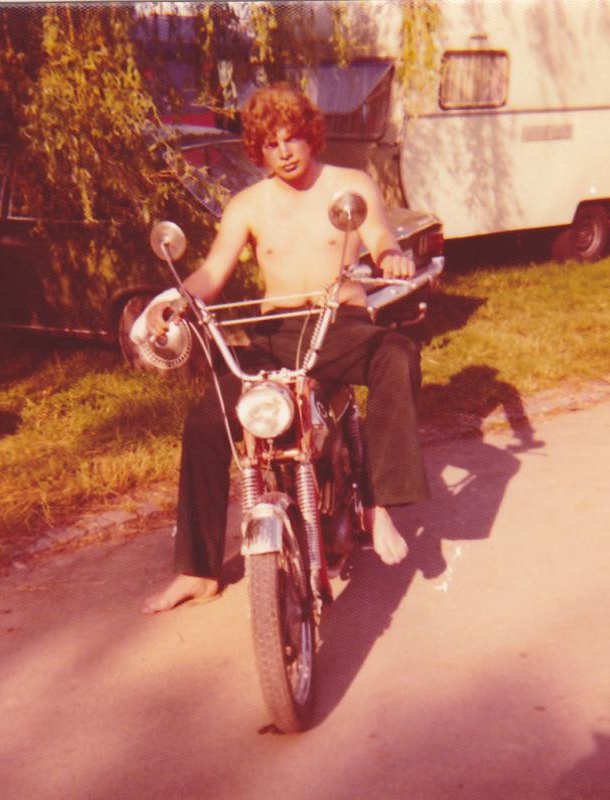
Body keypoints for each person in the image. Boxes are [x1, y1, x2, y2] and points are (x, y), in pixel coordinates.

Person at [137, 83, 429, 614]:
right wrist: (176, 300)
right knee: (207, 420)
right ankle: (198, 571)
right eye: (271, 144)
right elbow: (213, 271)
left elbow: (382, 238)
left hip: (340, 325)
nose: (285, 151)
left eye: (292, 137)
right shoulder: (248, 205)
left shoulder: (349, 185)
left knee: (397, 356)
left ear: (310, 135)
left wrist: (392, 256)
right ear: (258, 149)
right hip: (277, 335)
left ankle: (380, 505)